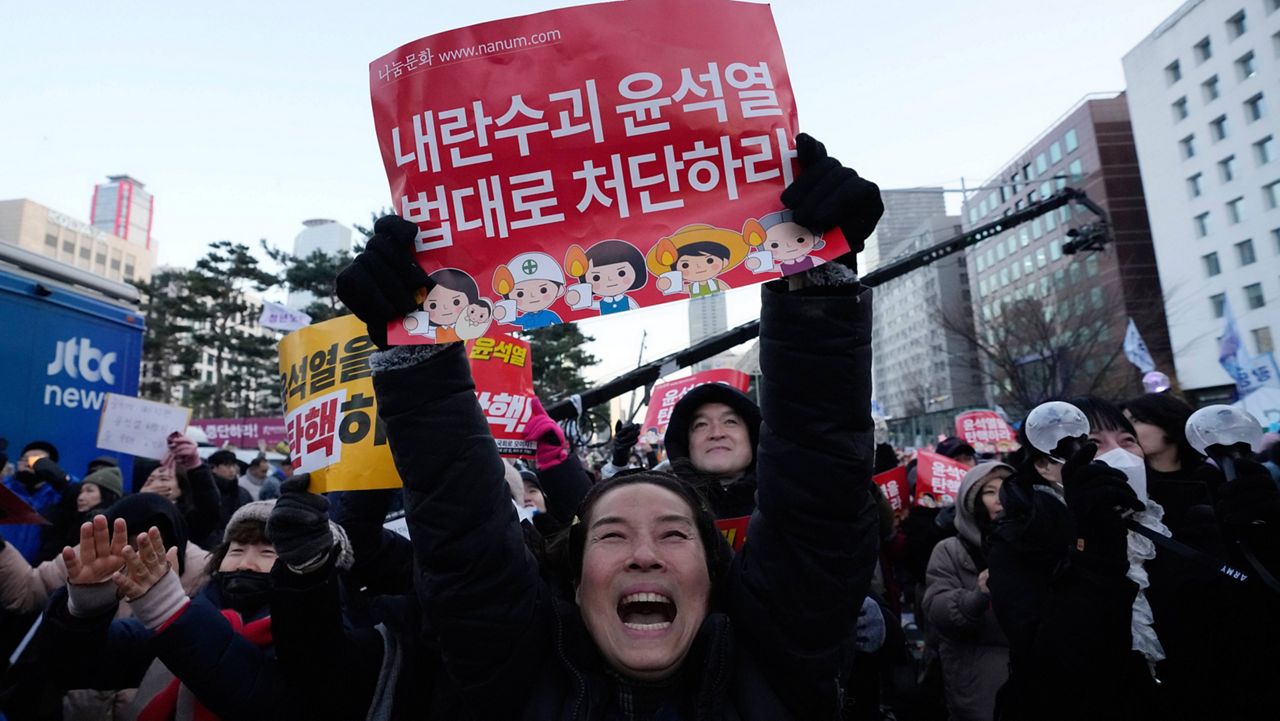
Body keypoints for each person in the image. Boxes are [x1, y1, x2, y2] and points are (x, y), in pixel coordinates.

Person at [335, 131, 885, 718]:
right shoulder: (514, 677)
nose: (644, 556)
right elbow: (460, 524)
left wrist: (814, 277)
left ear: (715, 573)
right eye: (612, 535)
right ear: (574, 580)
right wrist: (420, 338)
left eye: (675, 534)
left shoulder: (777, 666)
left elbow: (816, 495)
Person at [922, 462, 1011, 721]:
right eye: (990, 492)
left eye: (1006, 491)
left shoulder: (1031, 545)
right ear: (973, 501)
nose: (1000, 500)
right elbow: (939, 611)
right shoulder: (949, 550)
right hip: (975, 676)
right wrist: (978, 595)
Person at [1, 441, 69, 563]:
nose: (28, 463)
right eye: (24, 459)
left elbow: (79, 494)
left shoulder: (58, 497)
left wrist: (64, 480)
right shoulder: (4, 489)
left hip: (32, 574)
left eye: (36, 461)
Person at [209, 448, 252, 532]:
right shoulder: (206, 493)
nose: (232, 470)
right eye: (227, 466)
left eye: (233, 465)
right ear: (214, 468)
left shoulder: (243, 493)